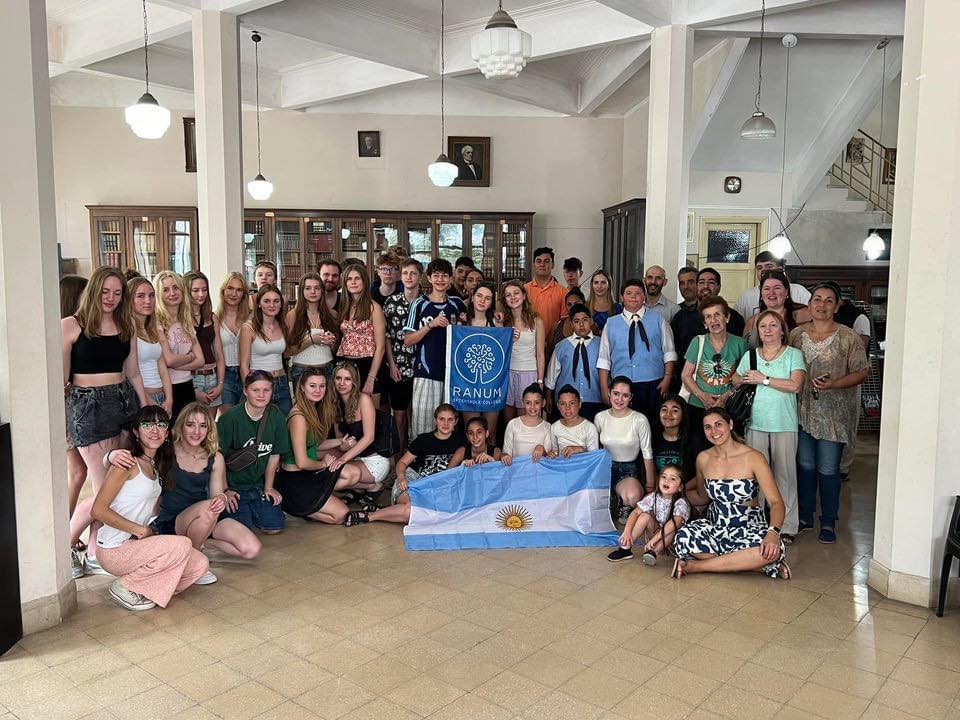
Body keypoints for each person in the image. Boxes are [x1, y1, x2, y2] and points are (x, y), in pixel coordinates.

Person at [64, 267, 146, 577]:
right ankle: (69, 544)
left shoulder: (127, 326)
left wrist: (145, 408)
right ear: (93, 291)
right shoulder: (71, 326)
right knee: (102, 489)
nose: (111, 298)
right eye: (105, 291)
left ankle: (98, 547)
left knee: (118, 480)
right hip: (89, 407)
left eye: (117, 292)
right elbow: (62, 382)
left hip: (124, 402)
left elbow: (134, 372)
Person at [106, 401, 262, 565]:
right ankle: (191, 561)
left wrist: (222, 498)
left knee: (251, 549)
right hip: (173, 520)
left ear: (208, 429)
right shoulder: (165, 450)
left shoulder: (215, 457)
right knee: (208, 510)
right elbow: (129, 460)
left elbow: (216, 496)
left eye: (202, 426)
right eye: (190, 425)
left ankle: (201, 544)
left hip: (206, 519)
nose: (196, 431)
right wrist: (110, 456)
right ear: (181, 426)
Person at [91, 406, 209, 611]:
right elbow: (98, 510)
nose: (155, 430)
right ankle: (125, 586)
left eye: (161, 425)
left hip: (138, 545)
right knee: (181, 545)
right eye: (147, 424)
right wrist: (109, 456)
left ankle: (146, 589)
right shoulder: (126, 462)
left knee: (199, 563)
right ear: (136, 432)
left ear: (166, 433)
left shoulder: (157, 463)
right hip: (114, 549)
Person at [789, 281, 869, 544]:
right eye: (817, 299)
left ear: (836, 306)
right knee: (805, 465)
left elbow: (861, 371)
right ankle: (805, 516)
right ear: (809, 304)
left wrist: (834, 383)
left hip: (833, 415)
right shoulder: (797, 335)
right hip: (802, 411)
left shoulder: (848, 337)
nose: (821, 305)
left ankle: (828, 520)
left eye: (827, 300)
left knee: (827, 468)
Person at [672, 408, 789, 580]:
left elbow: (776, 502)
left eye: (718, 424)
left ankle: (696, 566)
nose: (714, 431)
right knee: (683, 537)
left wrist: (773, 533)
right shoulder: (703, 458)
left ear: (730, 425)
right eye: (708, 427)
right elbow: (702, 497)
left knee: (772, 548)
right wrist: (676, 492)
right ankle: (753, 565)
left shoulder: (754, 457)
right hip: (716, 524)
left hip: (749, 526)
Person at [733, 310, 806, 543]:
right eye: (762, 326)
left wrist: (763, 379)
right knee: (757, 476)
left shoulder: (793, 354)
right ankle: (760, 524)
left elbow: (795, 385)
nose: (767, 330)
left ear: (782, 330)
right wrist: (744, 378)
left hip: (784, 423)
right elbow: (735, 379)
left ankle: (787, 526)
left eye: (773, 325)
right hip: (755, 423)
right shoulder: (751, 355)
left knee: (785, 475)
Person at [276, 369, 365, 525]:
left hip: (307, 474)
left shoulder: (312, 408)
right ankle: (294, 506)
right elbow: (302, 462)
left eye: (322, 386)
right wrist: (324, 463)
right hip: (295, 480)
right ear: (302, 387)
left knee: (353, 473)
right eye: (312, 386)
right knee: (341, 515)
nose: (318, 390)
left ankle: (313, 503)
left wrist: (339, 442)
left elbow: (314, 443)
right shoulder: (299, 417)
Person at [217, 370, 291, 535]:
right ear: (245, 390)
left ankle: (256, 509)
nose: (261, 395)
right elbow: (218, 456)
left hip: (257, 485)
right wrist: (224, 491)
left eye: (266, 390)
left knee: (274, 527)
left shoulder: (276, 415)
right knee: (242, 530)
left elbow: (274, 454)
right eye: (255, 390)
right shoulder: (229, 418)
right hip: (234, 486)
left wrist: (269, 487)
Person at [369, 404, 464, 525]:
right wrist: (402, 477)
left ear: (455, 421)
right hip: (413, 481)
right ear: (435, 420)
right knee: (416, 508)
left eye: (450, 419)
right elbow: (402, 462)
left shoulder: (461, 441)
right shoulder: (423, 440)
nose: (445, 423)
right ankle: (371, 516)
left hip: (436, 489)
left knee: (418, 512)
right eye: (441, 419)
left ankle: (377, 513)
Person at [597, 278, 677, 419]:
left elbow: (669, 352)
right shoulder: (611, 323)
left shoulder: (658, 319)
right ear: (622, 297)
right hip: (622, 386)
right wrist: (604, 388)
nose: (633, 297)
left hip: (654, 383)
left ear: (644, 297)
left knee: (652, 424)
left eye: (638, 293)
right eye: (629, 293)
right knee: (624, 424)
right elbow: (604, 359)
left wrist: (667, 379)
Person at [403, 258, 466, 438]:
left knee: (449, 424)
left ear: (451, 279)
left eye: (444, 276)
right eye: (436, 275)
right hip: (426, 373)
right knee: (422, 424)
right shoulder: (420, 303)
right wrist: (430, 325)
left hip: (452, 375)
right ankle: (419, 462)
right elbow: (407, 340)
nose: (440, 280)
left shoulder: (457, 303)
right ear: (428, 278)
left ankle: (447, 462)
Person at [328, 361, 392, 506]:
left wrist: (342, 459)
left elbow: (369, 438)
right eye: (338, 378)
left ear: (354, 382)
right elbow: (341, 440)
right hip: (354, 457)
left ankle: (372, 486)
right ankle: (364, 488)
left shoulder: (363, 399)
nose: (342, 383)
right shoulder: (335, 403)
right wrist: (343, 447)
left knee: (338, 473)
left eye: (347, 379)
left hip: (373, 461)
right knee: (325, 460)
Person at [680, 296, 748, 430]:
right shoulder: (697, 342)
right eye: (708, 317)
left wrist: (726, 397)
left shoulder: (740, 343)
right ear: (704, 323)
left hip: (730, 407)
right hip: (699, 407)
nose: (713, 320)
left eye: (717, 314)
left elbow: (744, 378)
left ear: (727, 318)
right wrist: (702, 396)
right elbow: (686, 375)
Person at [594, 377, 656, 523]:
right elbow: (594, 449)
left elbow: (647, 453)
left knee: (633, 496)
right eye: (616, 393)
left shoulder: (639, 419)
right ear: (609, 393)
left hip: (628, 471)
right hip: (605, 468)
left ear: (631, 397)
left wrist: (650, 485)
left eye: (625, 395)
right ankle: (612, 499)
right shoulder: (600, 417)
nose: (620, 399)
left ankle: (623, 501)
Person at [608, 464, 690, 565]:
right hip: (655, 536)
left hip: (672, 541)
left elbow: (674, 523)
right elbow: (635, 513)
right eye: (664, 477)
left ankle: (653, 552)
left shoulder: (681, 503)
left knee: (672, 528)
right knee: (644, 516)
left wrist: (656, 539)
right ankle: (625, 549)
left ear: (680, 487)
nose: (666, 480)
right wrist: (627, 531)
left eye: (672, 479)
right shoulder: (654, 496)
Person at [383, 259, 422, 453]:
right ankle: (399, 457)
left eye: (413, 273)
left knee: (416, 414)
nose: (409, 277)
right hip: (398, 364)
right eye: (405, 273)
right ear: (400, 275)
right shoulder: (392, 302)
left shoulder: (427, 301)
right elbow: (387, 336)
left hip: (422, 367)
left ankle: (415, 457)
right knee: (398, 415)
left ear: (420, 276)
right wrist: (391, 364)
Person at [154, 270, 204, 421]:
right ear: (159, 295)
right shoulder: (157, 323)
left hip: (188, 385)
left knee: (186, 434)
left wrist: (177, 363)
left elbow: (201, 360)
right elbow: (168, 360)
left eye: (176, 288)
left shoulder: (185, 321)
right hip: (168, 389)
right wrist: (190, 357)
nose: (172, 293)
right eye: (166, 290)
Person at [60, 274, 90, 525]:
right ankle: (65, 532)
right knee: (78, 472)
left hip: (74, 408)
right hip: (68, 410)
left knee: (79, 472)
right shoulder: (65, 328)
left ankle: (66, 531)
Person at [671, 268, 746, 363]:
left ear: (719, 287)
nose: (705, 286)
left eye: (711, 282)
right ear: (696, 287)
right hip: (688, 375)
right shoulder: (681, 317)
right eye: (701, 282)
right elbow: (673, 350)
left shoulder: (735, 318)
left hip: (727, 375)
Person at [337, 263, 387, 404]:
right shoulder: (345, 306)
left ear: (365, 281)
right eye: (349, 279)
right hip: (345, 365)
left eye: (357, 278)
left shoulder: (374, 308)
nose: (353, 282)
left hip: (368, 365)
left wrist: (371, 378)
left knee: (370, 416)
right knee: (346, 415)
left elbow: (381, 347)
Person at [239, 284, 291, 415]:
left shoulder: (283, 325)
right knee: (259, 426)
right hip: (258, 382)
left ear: (281, 304)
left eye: (276, 301)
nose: (272, 305)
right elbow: (244, 365)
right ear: (259, 304)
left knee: (283, 424)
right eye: (267, 301)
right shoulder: (248, 328)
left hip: (281, 381)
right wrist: (250, 388)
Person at [545, 303, 603, 421]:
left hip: (594, 399)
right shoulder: (561, 346)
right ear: (571, 324)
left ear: (591, 321)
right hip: (566, 402)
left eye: (585, 320)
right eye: (576, 321)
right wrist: (548, 396)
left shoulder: (602, 344)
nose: (581, 325)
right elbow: (552, 375)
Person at [461, 282, 504, 439]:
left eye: (487, 298)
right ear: (472, 297)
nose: (482, 301)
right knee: (472, 434)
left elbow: (502, 351)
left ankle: (489, 463)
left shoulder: (497, 323)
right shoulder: (462, 322)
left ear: (492, 302)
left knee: (489, 435)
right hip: (467, 385)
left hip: (491, 385)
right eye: (479, 296)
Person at [835, 298, 871, 480]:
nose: (823, 305)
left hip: (850, 376)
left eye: (829, 300)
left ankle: (843, 466)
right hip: (822, 382)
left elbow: (860, 348)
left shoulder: (858, 317)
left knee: (848, 422)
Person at [500, 280, 546, 425]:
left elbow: (540, 354)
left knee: (525, 421)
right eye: (508, 295)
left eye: (516, 293)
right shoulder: (502, 321)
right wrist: (509, 340)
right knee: (509, 423)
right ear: (505, 300)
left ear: (524, 295)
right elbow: (498, 352)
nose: (512, 297)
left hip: (529, 373)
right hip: (507, 374)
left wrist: (540, 381)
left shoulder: (536, 321)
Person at [284, 271, 338, 391]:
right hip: (302, 371)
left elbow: (336, 350)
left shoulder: (332, 314)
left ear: (322, 291)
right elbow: (287, 352)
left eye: (317, 288)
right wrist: (312, 340)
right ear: (301, 291)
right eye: (308, 288)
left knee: (328, 409)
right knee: (304, 409)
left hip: (327, 369)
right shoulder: (292, 316)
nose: (313, 292)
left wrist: (332, 341)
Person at [129, 276, 173, 415]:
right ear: (129, 300)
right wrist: (147, 400)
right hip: (140, 397)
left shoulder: (152, 328)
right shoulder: (128, 330)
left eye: (152, 295)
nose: (148, 301)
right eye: (140, 296)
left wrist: (169, 399)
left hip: (161, 396)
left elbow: (163, 369)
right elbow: (128, 373)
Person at [185, 271, 226, 410]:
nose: (201, 294)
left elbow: (219, 355)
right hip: (191, 377)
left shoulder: (212, 317)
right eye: (195, 290)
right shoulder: (181, 319)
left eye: (204, 290)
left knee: (209, 427)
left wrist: (220, 384)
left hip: (213, 376)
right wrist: (192, 389)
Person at [743, 270, 811, 346]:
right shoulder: (752, 322)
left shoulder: (804, 314)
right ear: (761, 293)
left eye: (777, 288)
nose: (771, 292)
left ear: (786, 292)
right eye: (766, 288)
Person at [734, 251, 811, 319]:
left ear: (780, 269)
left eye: (769, 266)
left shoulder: (799, 291)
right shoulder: (746, 296)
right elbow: (737, 322)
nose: (763, 270)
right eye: (759, 268)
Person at [215, 272, 250, 416]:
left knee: (247, 420)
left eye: (239, 290)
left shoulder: (251, 317)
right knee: (227, 421)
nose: (234, 293)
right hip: (225, 375)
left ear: (244, 294)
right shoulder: (214, 318)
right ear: (223, 291)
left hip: (248, 373)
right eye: (230, 288)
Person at [652, 395, 701, 490]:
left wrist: (680, 490)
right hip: (661, 491)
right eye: (664, 410)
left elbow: (701, 474)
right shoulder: (653, 438)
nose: (668, 414)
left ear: (683, 415)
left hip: (686, 491)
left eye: (675, 411)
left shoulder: (693, 440)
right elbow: (650, 470)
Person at [501, 384, 555, 466]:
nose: (532, 407)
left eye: (537, 402)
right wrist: (504, 456)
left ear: (543, 403)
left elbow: (548, 457)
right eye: (528, 403)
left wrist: (542, 449)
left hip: (538, 473)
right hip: (517, 471)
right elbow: (506, 453)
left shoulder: (548, 427)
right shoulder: (513, 424)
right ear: (523, 403)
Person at [524, 247, 567, 334]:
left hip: (553, 343)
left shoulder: (563, 292)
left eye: (546, 261)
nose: (542, 264)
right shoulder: (524, 290)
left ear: (553, 265)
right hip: (528, 343)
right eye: (539, 261)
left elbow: (564, 322)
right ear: (534, 264)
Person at [669, 266, 704, 372]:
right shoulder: (677, 313)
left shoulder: (712, 311)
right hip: (683, 372)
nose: (686, 287)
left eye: (690, 282)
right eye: (682, 283)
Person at [550, 386, 600, 458]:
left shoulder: (589, 427)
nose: (567, 407)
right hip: (562, 467)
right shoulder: (554, 427)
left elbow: (594, 457)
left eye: (572, 403)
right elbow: (555, 453)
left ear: (579, 404)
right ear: (558, 406)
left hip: (584, 468)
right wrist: (551, 455)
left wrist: (581, 449)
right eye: (563, 403)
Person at [547, 287, 587, 359]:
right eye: (569, 304)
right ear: (565, 306)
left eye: (576, 303)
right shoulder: (557, 326)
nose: (573, 307)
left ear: (584, 304)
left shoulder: (591, 325)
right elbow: (550, 352)